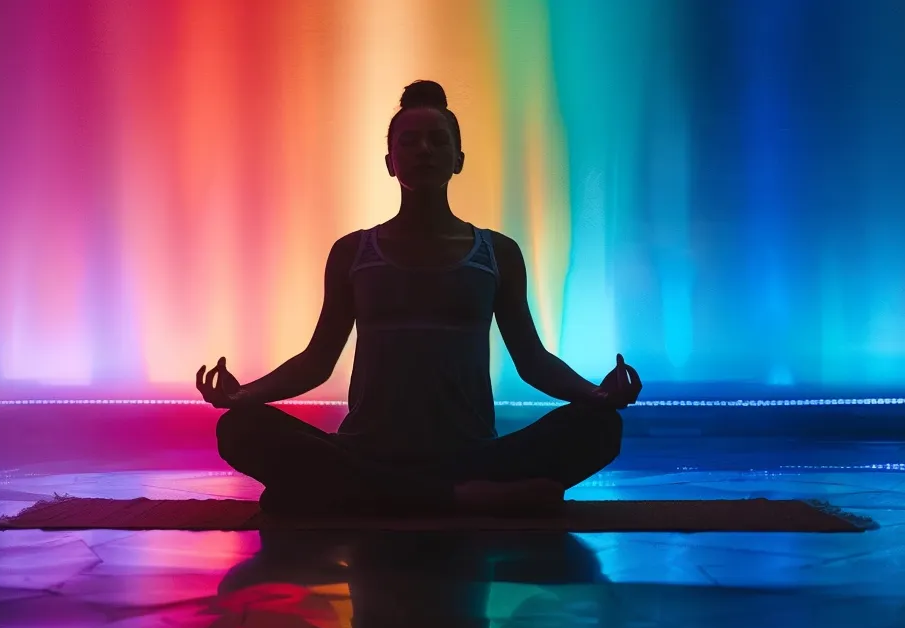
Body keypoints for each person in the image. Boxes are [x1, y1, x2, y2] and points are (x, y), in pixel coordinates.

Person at [196, 80, 642, 516]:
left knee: (600, 427)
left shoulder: (497, 252)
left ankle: (355, 497)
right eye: (409, 142)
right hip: (368, 451)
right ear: (390, 162)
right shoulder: (353, 252)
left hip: (471, 454)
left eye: (436, 141)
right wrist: (244, 395)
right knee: (241, 428)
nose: (424, 151)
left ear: (458, 159)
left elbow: (531, 359)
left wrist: (596, 395)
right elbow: (317, 360)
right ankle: (458, 499)